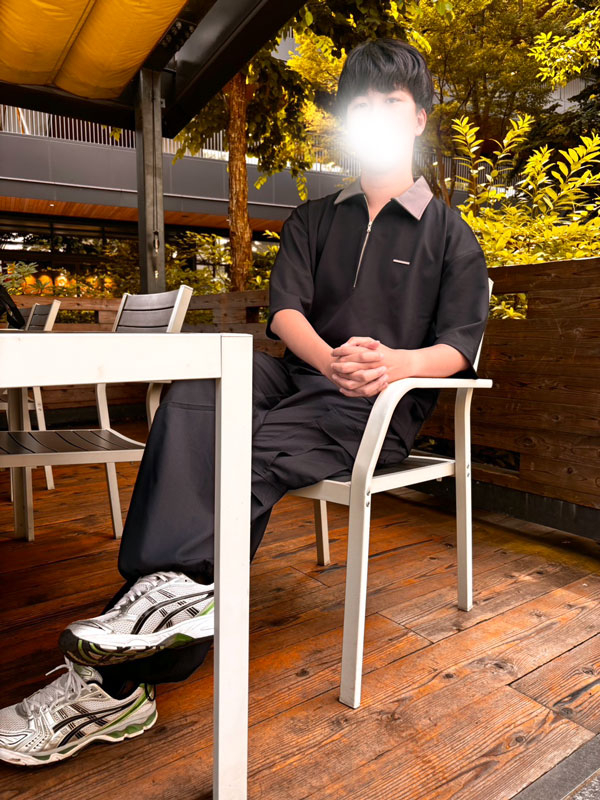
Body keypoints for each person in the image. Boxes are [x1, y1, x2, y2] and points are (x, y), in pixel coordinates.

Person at [0, 37, 490, 767]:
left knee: (246, 451)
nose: (379, 118)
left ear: (418, 118)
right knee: (203, 390)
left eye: (392, 103)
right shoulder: (314, 220)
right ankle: (167, 592)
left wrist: (396, 365)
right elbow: (285, 313)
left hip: (376, 406)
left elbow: (459, 343)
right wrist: (326, 357)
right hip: (303, 377)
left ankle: (118, 685)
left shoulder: (451, 235)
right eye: (362, 107)